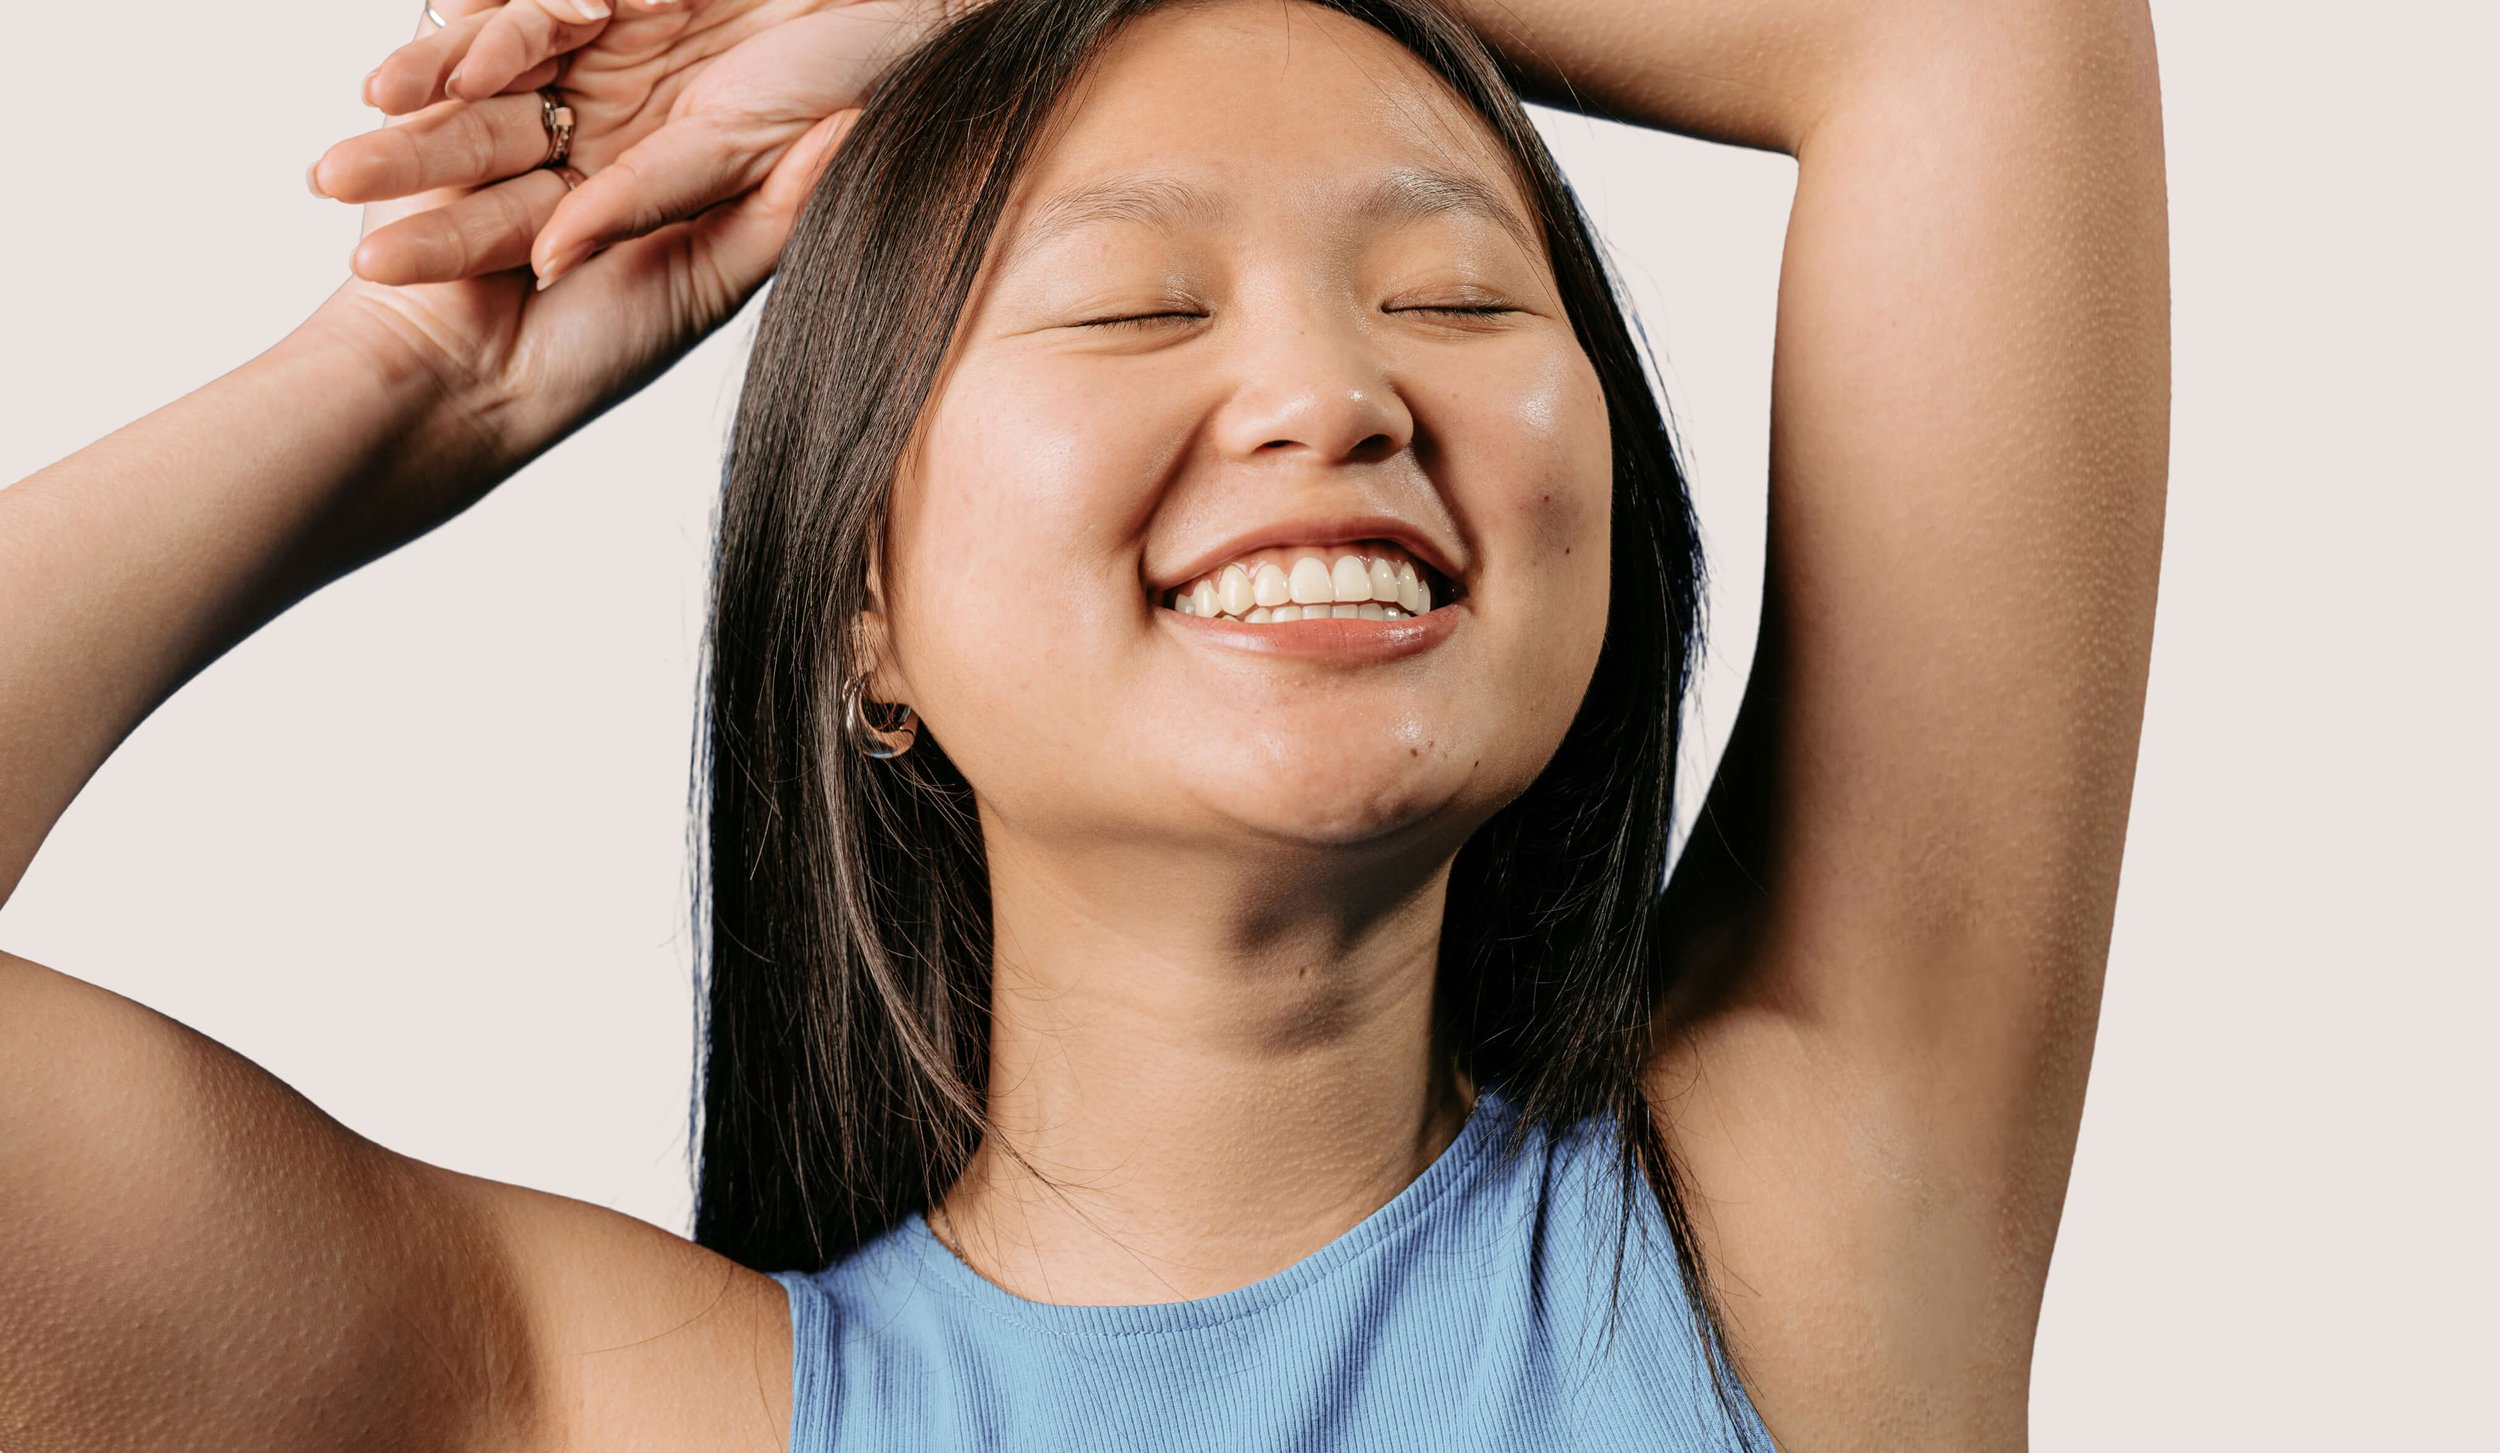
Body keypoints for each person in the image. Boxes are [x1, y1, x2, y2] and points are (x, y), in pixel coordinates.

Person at [0, 0, 2168, 1446]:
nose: (1333, 391)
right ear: (865, 609)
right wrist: (403, 385)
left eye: (1450, 296)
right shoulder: (594, 1399)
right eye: (1138, 303)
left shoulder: (1793, 1229)